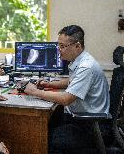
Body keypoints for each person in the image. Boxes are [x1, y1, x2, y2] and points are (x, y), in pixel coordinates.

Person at [24, 25, 110, 153]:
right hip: (84, 119)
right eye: (59, 46)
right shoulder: (81, 61)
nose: (59, 50)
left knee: (41, 137)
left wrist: (34, 91)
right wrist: (49, 84)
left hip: (91, 126)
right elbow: (71, 82)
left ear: (77, 46)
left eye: (62, 46)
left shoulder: (86, 67)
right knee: (43, 125)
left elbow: (66, 99)